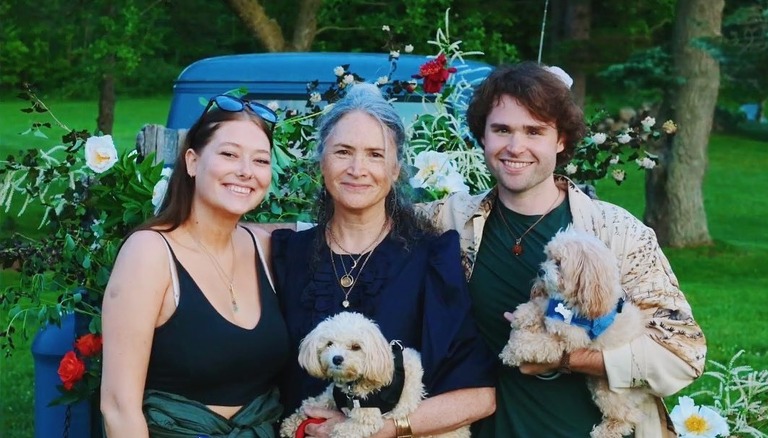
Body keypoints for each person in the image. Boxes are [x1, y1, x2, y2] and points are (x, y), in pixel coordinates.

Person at [417, 62, 707, 437]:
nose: (515, 146)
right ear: (483, 137)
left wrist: (569, 358)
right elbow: (365, 224)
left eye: (534, 131)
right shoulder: (450, 221)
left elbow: (683, 354)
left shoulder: (615, 233)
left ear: (561, 140)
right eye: (501, 129)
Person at [271, 83, 496, 437]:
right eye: (343, 151)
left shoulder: (430, 260)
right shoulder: (287, 255)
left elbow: (479, 396)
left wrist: (384, 429)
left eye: (375, 154)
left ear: (395, 170)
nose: (358, 168)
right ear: (321, 161)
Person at [100, 95, 289, 437]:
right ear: (192, 161)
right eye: (229, 154)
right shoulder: (150, 254)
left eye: (260, 160)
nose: (246, 171)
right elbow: (118, 408)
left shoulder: (263, 247)